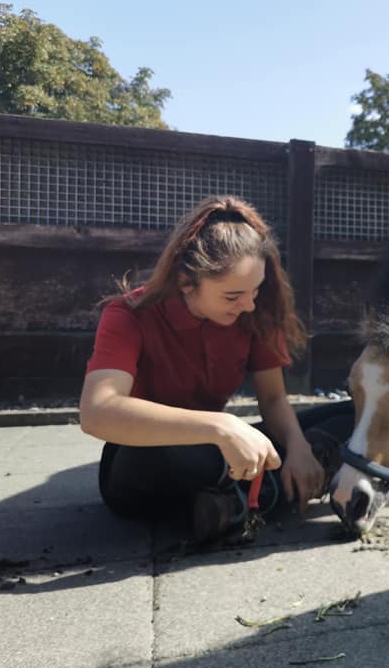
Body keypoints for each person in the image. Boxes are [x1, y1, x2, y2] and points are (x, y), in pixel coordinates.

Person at [80, 196, 353, 544]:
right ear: (186, 282)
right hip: (153, 454)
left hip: (220, 453)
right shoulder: (128, 314)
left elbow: (272, 399)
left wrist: (298, 448)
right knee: (151, 458)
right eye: (232, 296)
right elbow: (96, 412)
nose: (249, 304)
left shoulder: (254, 313)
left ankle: (230, 502)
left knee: (354, 415)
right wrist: (222, 426)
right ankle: (268, 491)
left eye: (255, 290)